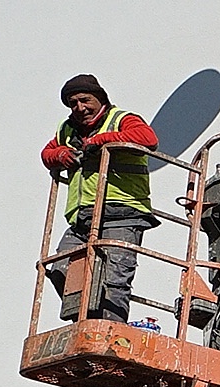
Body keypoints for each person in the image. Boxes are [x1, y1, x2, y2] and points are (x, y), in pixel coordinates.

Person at [41, 75, 159, 324]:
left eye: (85, 100)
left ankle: (110, 330)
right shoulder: (68, 129)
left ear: (100, 98)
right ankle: (88, 322)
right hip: (82, 219)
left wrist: (103, 141)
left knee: (114, 281)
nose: (79, 107)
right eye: (73, 103)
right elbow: (47, 153)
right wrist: (60, 154)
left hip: (123, 213)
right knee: (61, 268)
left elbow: (148, 138)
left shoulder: (121, 119)